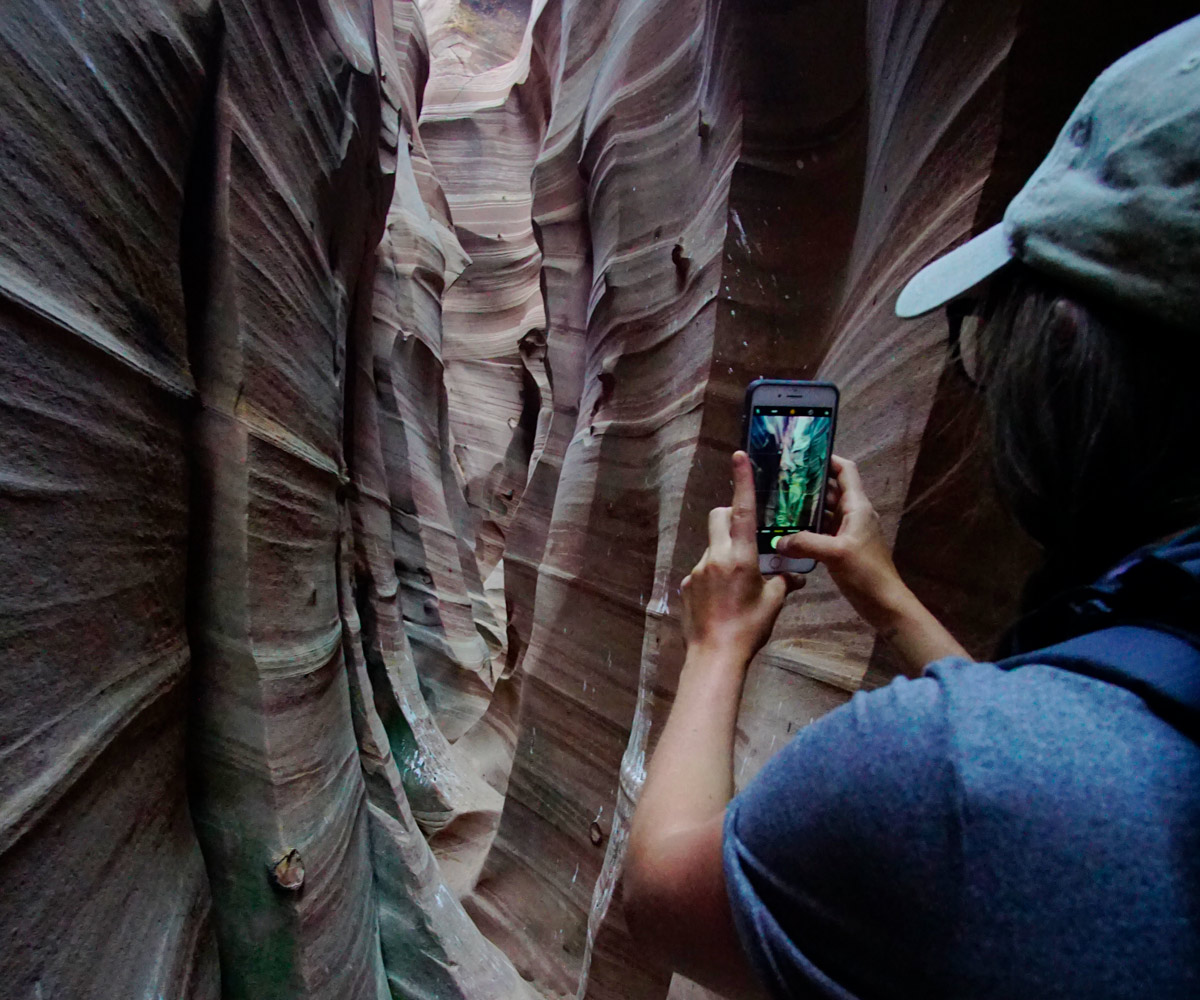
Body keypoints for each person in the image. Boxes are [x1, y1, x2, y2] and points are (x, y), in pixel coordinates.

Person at [625, 16, 1200, 1000]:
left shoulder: (943, 779)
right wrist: (887, 597)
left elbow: (667, 896)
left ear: (1065, 353)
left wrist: (719, 644)